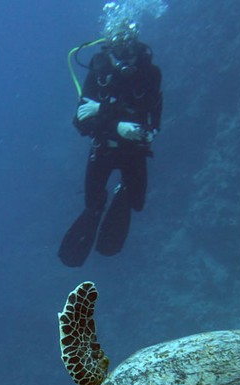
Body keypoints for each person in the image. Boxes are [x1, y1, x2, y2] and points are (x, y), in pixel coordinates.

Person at [58, 23, 162, 268]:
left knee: (136, 203)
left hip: (134, 150)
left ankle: (122, 193)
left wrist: (103, 110)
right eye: (120, 53)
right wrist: (117, 125)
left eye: (131, 53)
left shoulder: (150, 73)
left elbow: (153, 114)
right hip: (103, 148)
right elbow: (80, 122)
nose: (127, 61)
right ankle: (100, 210)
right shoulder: (98, 72)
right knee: (93, 206)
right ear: (110, 50)